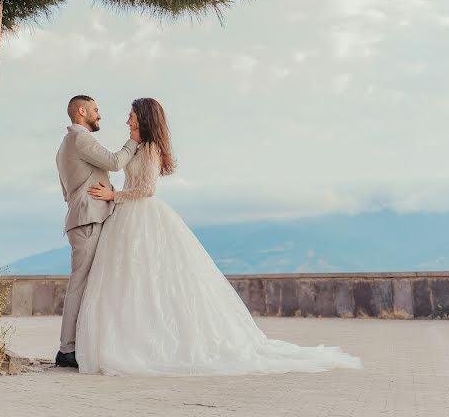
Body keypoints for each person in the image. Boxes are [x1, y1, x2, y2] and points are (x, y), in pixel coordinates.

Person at [75, 98, 362, 376]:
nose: (127, 120)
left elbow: (147, 190)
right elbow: (119, 165)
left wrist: (115, 195)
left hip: (142, 216)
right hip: (125, 219)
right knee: (128, 280)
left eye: (132, 115)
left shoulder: (150, 149)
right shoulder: (136, 146)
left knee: (152, 280)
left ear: (144, 117)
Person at [54, 95, 139, 369]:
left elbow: (67, 190)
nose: (99, 114)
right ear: (82, 111)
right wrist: (135, 141)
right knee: (80, 284)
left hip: (82, 217)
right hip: (87, 219)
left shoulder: (64, 146)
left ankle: (77, 345)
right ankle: (67, 350)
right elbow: (115, 162)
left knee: (85, 283)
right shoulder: (81, 139)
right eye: (95, 109)